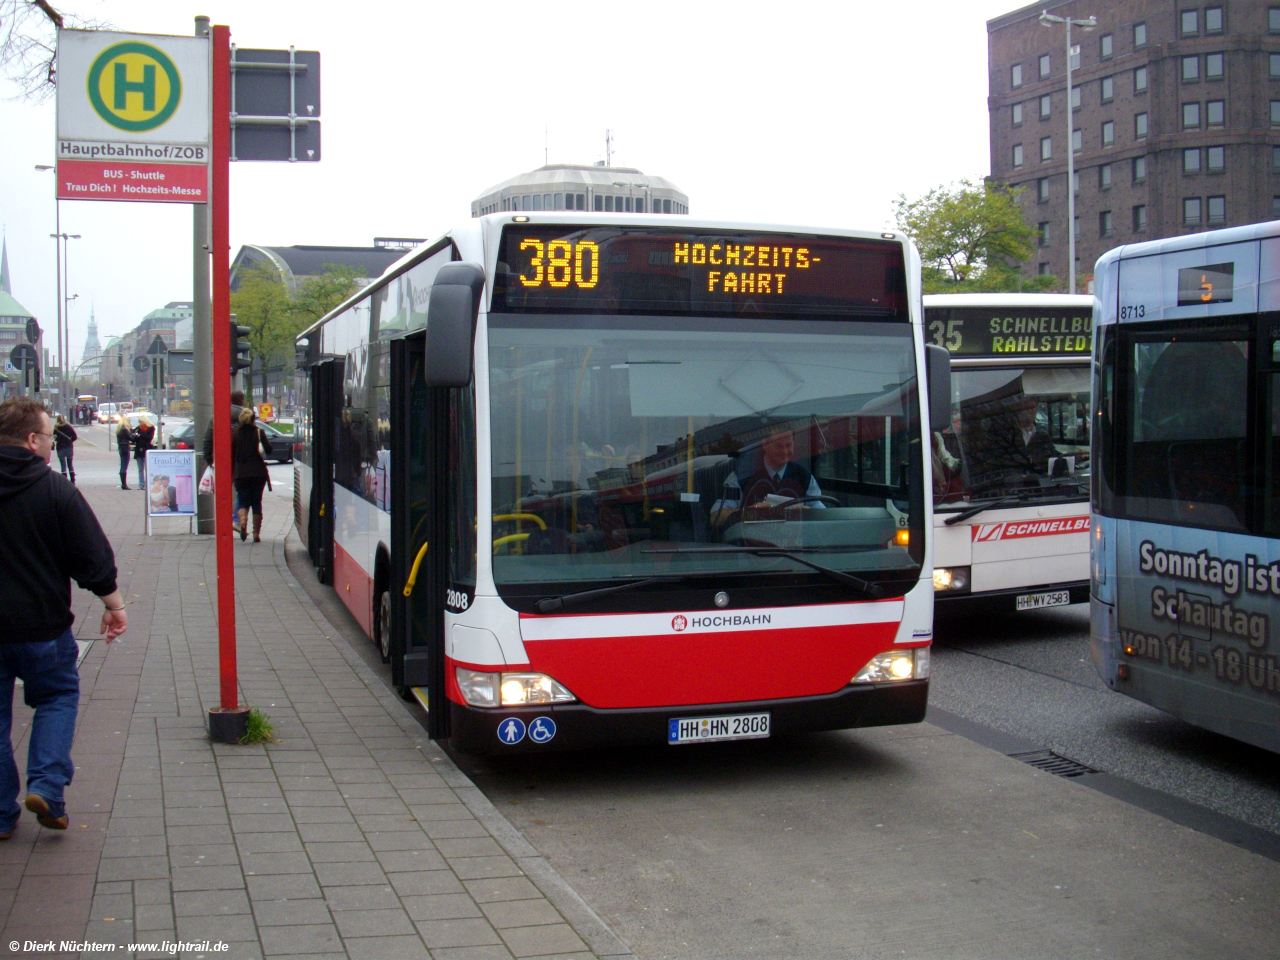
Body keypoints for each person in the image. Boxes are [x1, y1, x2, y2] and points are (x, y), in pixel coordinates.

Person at [0, 397, 127, 837]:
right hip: (42, 626)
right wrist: (114, 605)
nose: (53, 447)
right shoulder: (54, 490)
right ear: (32, 440)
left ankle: (1, 815)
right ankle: (47, 786)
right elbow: (91, 555)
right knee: (56, 698)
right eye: (50, 437)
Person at [712, 425, 825, 523]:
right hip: (750, 545)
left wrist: (807, 514)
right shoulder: (741, 477)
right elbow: (716, 518)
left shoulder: (804, 477)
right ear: (765, 445)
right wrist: (750, 512)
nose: (784, 451)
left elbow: (823, 514)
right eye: (778, 446)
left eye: (788, 445)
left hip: (793, 545)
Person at [203, 390, 246, 530]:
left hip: (223, 458)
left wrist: (209, 457)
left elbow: (208, 438)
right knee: (243, 491)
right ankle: (237, 520)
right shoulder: (246, 415)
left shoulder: (217, 415)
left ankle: (223, 520)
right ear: (241, 400)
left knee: (223, 490)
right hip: (241, 459)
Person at [232, 407, 273, 542]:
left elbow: (231, 455)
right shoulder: (259, 433)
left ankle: (243, 523)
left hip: (241, 474)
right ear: (253, 419)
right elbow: (269, 450)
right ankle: (256, 533)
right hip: (257, 473)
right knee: (256, 502)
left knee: (243, 501)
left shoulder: (235, 434)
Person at [132, 416, 156, 489]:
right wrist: (135, 436)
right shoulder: (137, 428)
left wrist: (140, 435)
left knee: (148, 468)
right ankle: (141, 484)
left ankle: (149, 484)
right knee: (140, 469)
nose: (140, 424)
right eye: (139, 422)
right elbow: (134, 439)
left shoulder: (151, 428)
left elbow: (149, 438)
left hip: (147, 449)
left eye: (141, 422)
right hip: (139, 450)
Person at [53, 414, 77, 485]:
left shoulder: (56, 428)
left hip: (60, 448)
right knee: (70, 464)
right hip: (69, 447)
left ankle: (65, 482)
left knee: (63, 465)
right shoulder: (69, 427)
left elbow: (55, 438)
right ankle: (72, 481)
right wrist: (70, 441)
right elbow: (75, 436)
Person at [115, 418, 133, 490]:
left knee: (123, 465)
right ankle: (124, 484)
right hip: (125, 448)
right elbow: (131, 438)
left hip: (121, 448)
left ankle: (123, 484)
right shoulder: (124, 430)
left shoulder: (119, 430)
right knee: (124, 466)